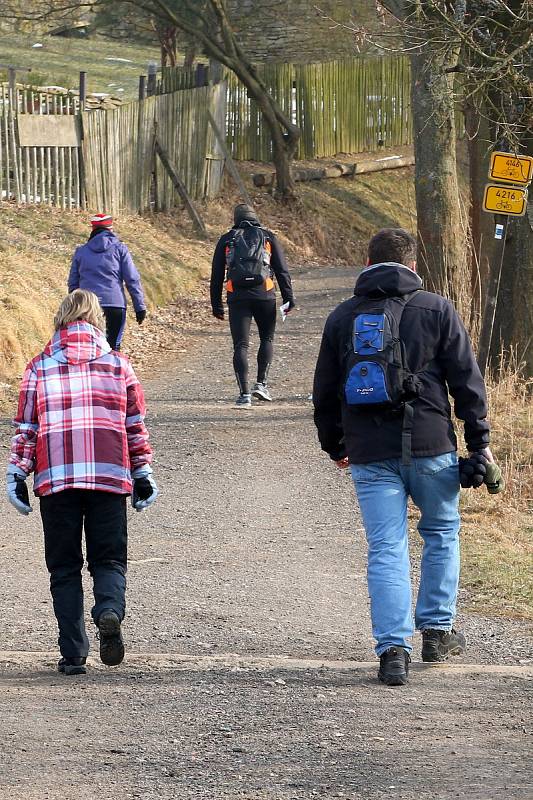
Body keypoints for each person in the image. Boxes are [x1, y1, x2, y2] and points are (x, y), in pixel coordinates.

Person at [313, 228, 494, 686]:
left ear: (367, 262)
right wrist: (480, 443)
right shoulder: (436, 308)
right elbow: (467, 383)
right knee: (441, 532)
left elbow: (325, 392)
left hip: (371, 452)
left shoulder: (343, 316)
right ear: (413, 266)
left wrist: (336, 445)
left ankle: (393, 650)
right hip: (433, 445)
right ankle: (436, 631)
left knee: (387, 548)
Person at [6, 290, 158, 676]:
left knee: (64, 567)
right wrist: (142, 473)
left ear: (60, 320)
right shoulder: (119, 365)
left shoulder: (37, 366)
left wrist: (16, 475)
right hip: (109, 477)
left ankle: (73, 654)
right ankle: (108, 609)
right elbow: (134, 426)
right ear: (96, 320)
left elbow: (27, 428)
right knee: (108, 560)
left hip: (56, 481)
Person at [210, 204, 295, 407]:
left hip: (237, 297)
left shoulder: (227, 239)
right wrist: (288, 298)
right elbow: (282, 271)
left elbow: (216, 276)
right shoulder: (267, 237)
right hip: (265, 295)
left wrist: (217, 305)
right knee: (267, 338)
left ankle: (244, 395)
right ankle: (261, 384)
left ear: (236, 218)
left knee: (240, 345)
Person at [68, 213, 147, 351]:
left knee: (90, 347)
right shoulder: (120, 249)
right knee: (113, 347)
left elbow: (73, 284)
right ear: (110, 229)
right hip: (114, 305)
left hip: (88, 307)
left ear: (93, 229)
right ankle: (112, 370)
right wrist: (139, 307)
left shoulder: (81, 251)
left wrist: (75, 308)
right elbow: (132, 279)